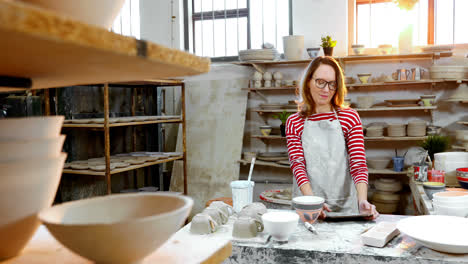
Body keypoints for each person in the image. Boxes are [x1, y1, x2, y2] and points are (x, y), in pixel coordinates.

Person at [286, 56, 379, 220]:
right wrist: (312, 202)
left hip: (345, 207)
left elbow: (358, 164)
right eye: (320, 82)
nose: (326, 89)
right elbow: (298, 165)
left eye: (332, 84)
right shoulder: (294, 122)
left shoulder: (349, 117)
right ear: (308, 81)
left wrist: (362, 200)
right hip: (308, 204)